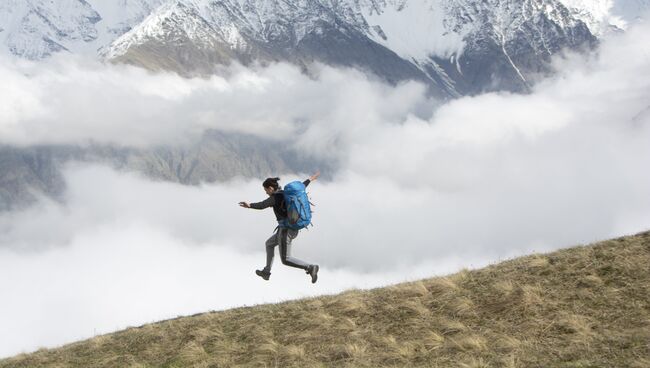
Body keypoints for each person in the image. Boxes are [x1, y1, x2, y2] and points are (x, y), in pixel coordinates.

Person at [239, 171, 321, 283]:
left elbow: (263, 205)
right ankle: (266, 272)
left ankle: (310, 267)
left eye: (266, 190)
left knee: (286, 259)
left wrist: (250, 205)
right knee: (269, 244)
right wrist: (310, 179)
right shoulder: (286, 193)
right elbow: (303, 185)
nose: (266, 193)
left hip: (286, 231)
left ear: (270, 188)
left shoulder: (275, 197)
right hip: (288, 229)